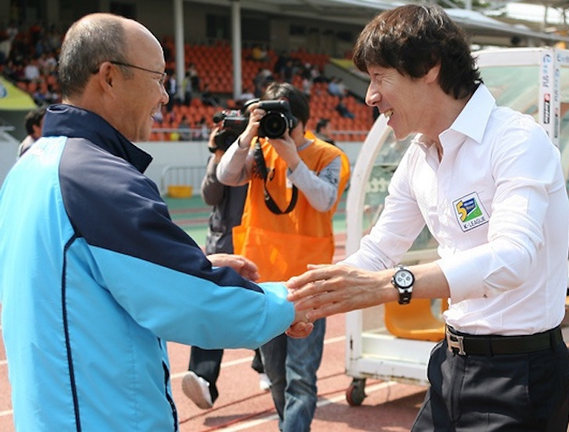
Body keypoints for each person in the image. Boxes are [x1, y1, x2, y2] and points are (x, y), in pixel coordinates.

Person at [0, 13, 313, 432]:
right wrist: (292, 302)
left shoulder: (30, 166)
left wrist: (195, 266)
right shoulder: (96, 178)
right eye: (158, 78)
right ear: (109, 77)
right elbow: (198, 302)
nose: (165, 96)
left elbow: (77, 276)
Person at [287, 5, 569, 431]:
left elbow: (512, 259)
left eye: (379, 76)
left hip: (520, 376)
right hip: (450, 364)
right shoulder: (418, 156)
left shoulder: (516, 139)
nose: (369, 96)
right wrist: (301, 299)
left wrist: (394, 284)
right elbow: (377, 253)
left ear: (429, 67)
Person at [217, 82, 350, 432]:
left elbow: (324, 200)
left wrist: (293, 159)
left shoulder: (329, 156)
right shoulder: (259, 149)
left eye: (284, 119)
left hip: (309, 281)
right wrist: (247, 135)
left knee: (301, 376)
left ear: (301, 120)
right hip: (264, 277)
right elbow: (225, 175)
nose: (278, 126)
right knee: (275, 373)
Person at [182, 127, 270, 410]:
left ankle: (266, 364)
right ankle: (203, 377)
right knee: (211, 308)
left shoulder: (263, 153)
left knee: (261, 302)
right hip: (222, 244)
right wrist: (218, 153)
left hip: (257, 242)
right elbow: (209, 195)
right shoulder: (222, 158)